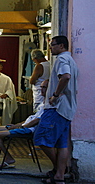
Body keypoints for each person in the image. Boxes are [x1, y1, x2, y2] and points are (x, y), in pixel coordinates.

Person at [34, 36, 78, 184]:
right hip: (67, 109)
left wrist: (55, 95)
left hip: (57, 108)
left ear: (61, 46)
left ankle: (60, 169)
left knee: (40, 138)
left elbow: (65, 77)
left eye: (52, 45)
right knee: (62, 144)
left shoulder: (62, 59)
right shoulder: (71, 60)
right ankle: (58, 176)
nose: (50, 48)